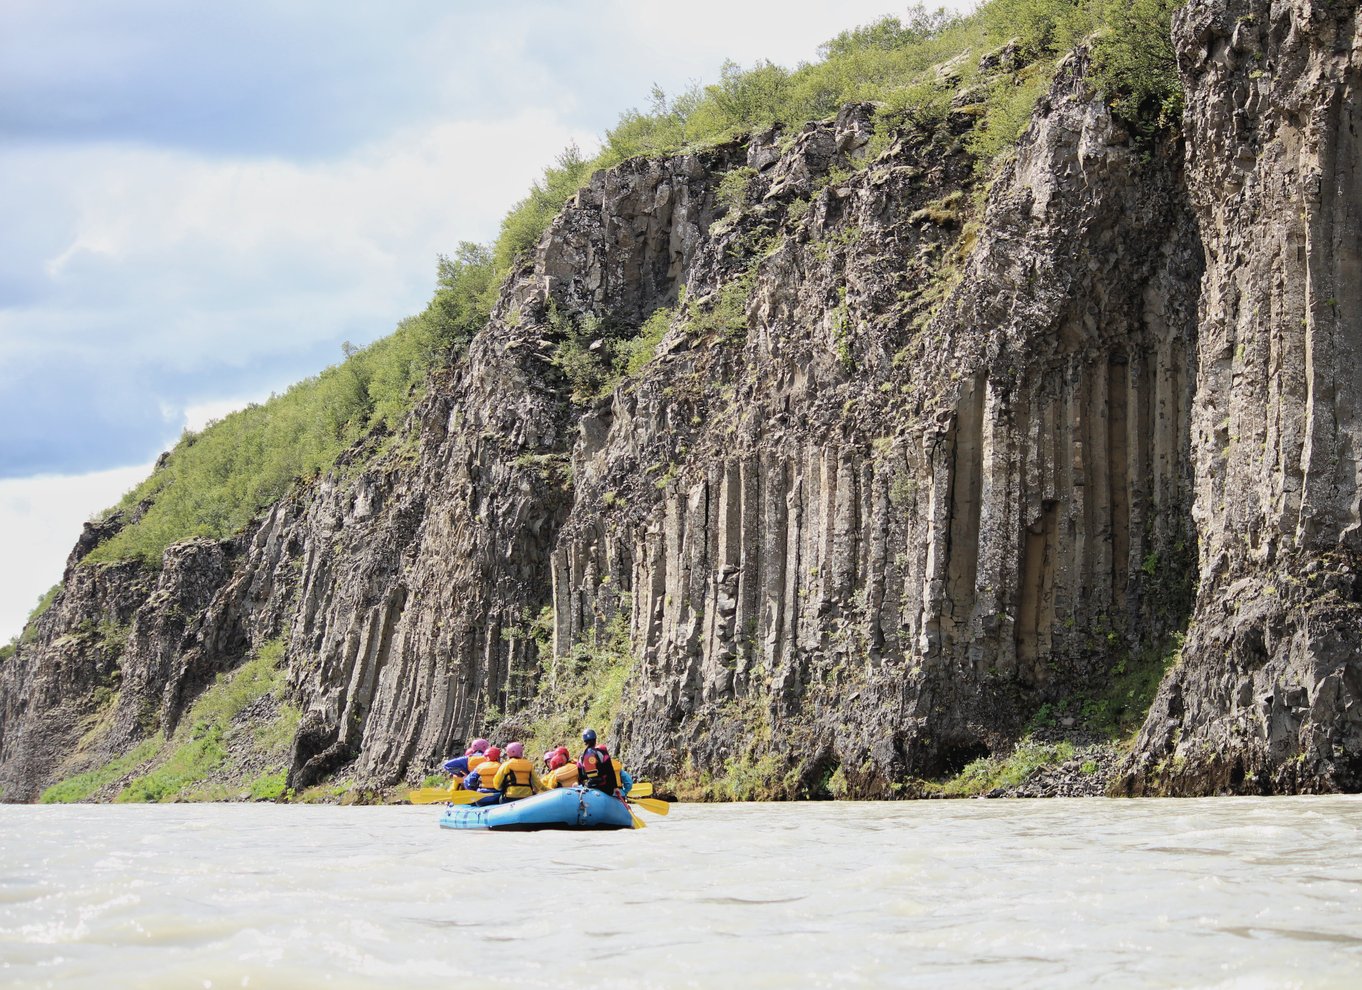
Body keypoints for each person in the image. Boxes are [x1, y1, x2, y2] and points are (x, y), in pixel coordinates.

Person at [577, 729, 621, 797]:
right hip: (605, 787)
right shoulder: (602, 753)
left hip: (590, 786)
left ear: (584, 742)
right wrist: (615, 787)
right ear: (595, 739)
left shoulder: (581, 757)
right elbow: (610, 771)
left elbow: (581, 776)